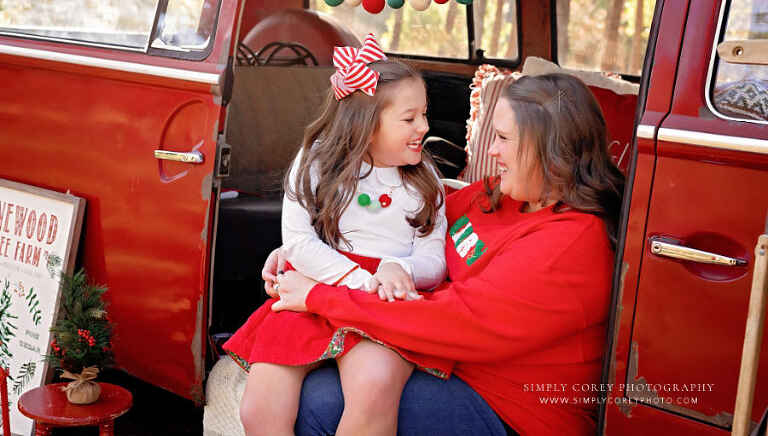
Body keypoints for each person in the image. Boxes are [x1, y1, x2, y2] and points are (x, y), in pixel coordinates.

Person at [268, 72, 626, 436]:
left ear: (550, 148)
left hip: (509, 408)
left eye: (503, 139)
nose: (491, 151)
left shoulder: (571, 242)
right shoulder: (496, 196)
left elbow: (458, 320)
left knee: (320, 405)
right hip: (443, 361)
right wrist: (304, 250)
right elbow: (400, 226)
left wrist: (319, 296)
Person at [223, 34, 450, 436]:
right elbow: (298, 242)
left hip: (385, 303)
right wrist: (361, 283)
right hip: (321, 285)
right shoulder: (314, 163)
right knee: (260, 410)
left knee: (374, 388)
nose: (425, 127)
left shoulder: (424, 179)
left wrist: (400, 270)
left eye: (424, 115)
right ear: (366, 124)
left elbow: (435, 260)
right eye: (410, 118)